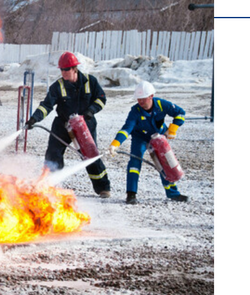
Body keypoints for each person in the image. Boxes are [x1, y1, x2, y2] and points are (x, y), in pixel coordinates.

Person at [23, 52, 111, 197]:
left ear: (75, 69)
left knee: (90, 154)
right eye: (61, 70)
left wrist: (91, 111)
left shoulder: (90, 81)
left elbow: (101, 99)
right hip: (63, 124)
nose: (63, 73)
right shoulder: (57, 86)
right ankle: (52, 185)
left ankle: (103, 187)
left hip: (85, 124)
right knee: (53, 153)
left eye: (66, 69)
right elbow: (46, 105)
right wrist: (34, 119)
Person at [109, 81, 188, 204]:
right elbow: (126, 129)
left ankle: (173, 194)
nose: (140, 101)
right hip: (139, 138)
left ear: (151, 96)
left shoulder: (162, 104)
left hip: (158, 137)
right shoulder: (135, 111)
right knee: (134, 163)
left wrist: (172, 129)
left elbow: (180, 113)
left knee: (165, 162)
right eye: (138, 99)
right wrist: (115, 143)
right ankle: (131, 194)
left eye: (143, 98)